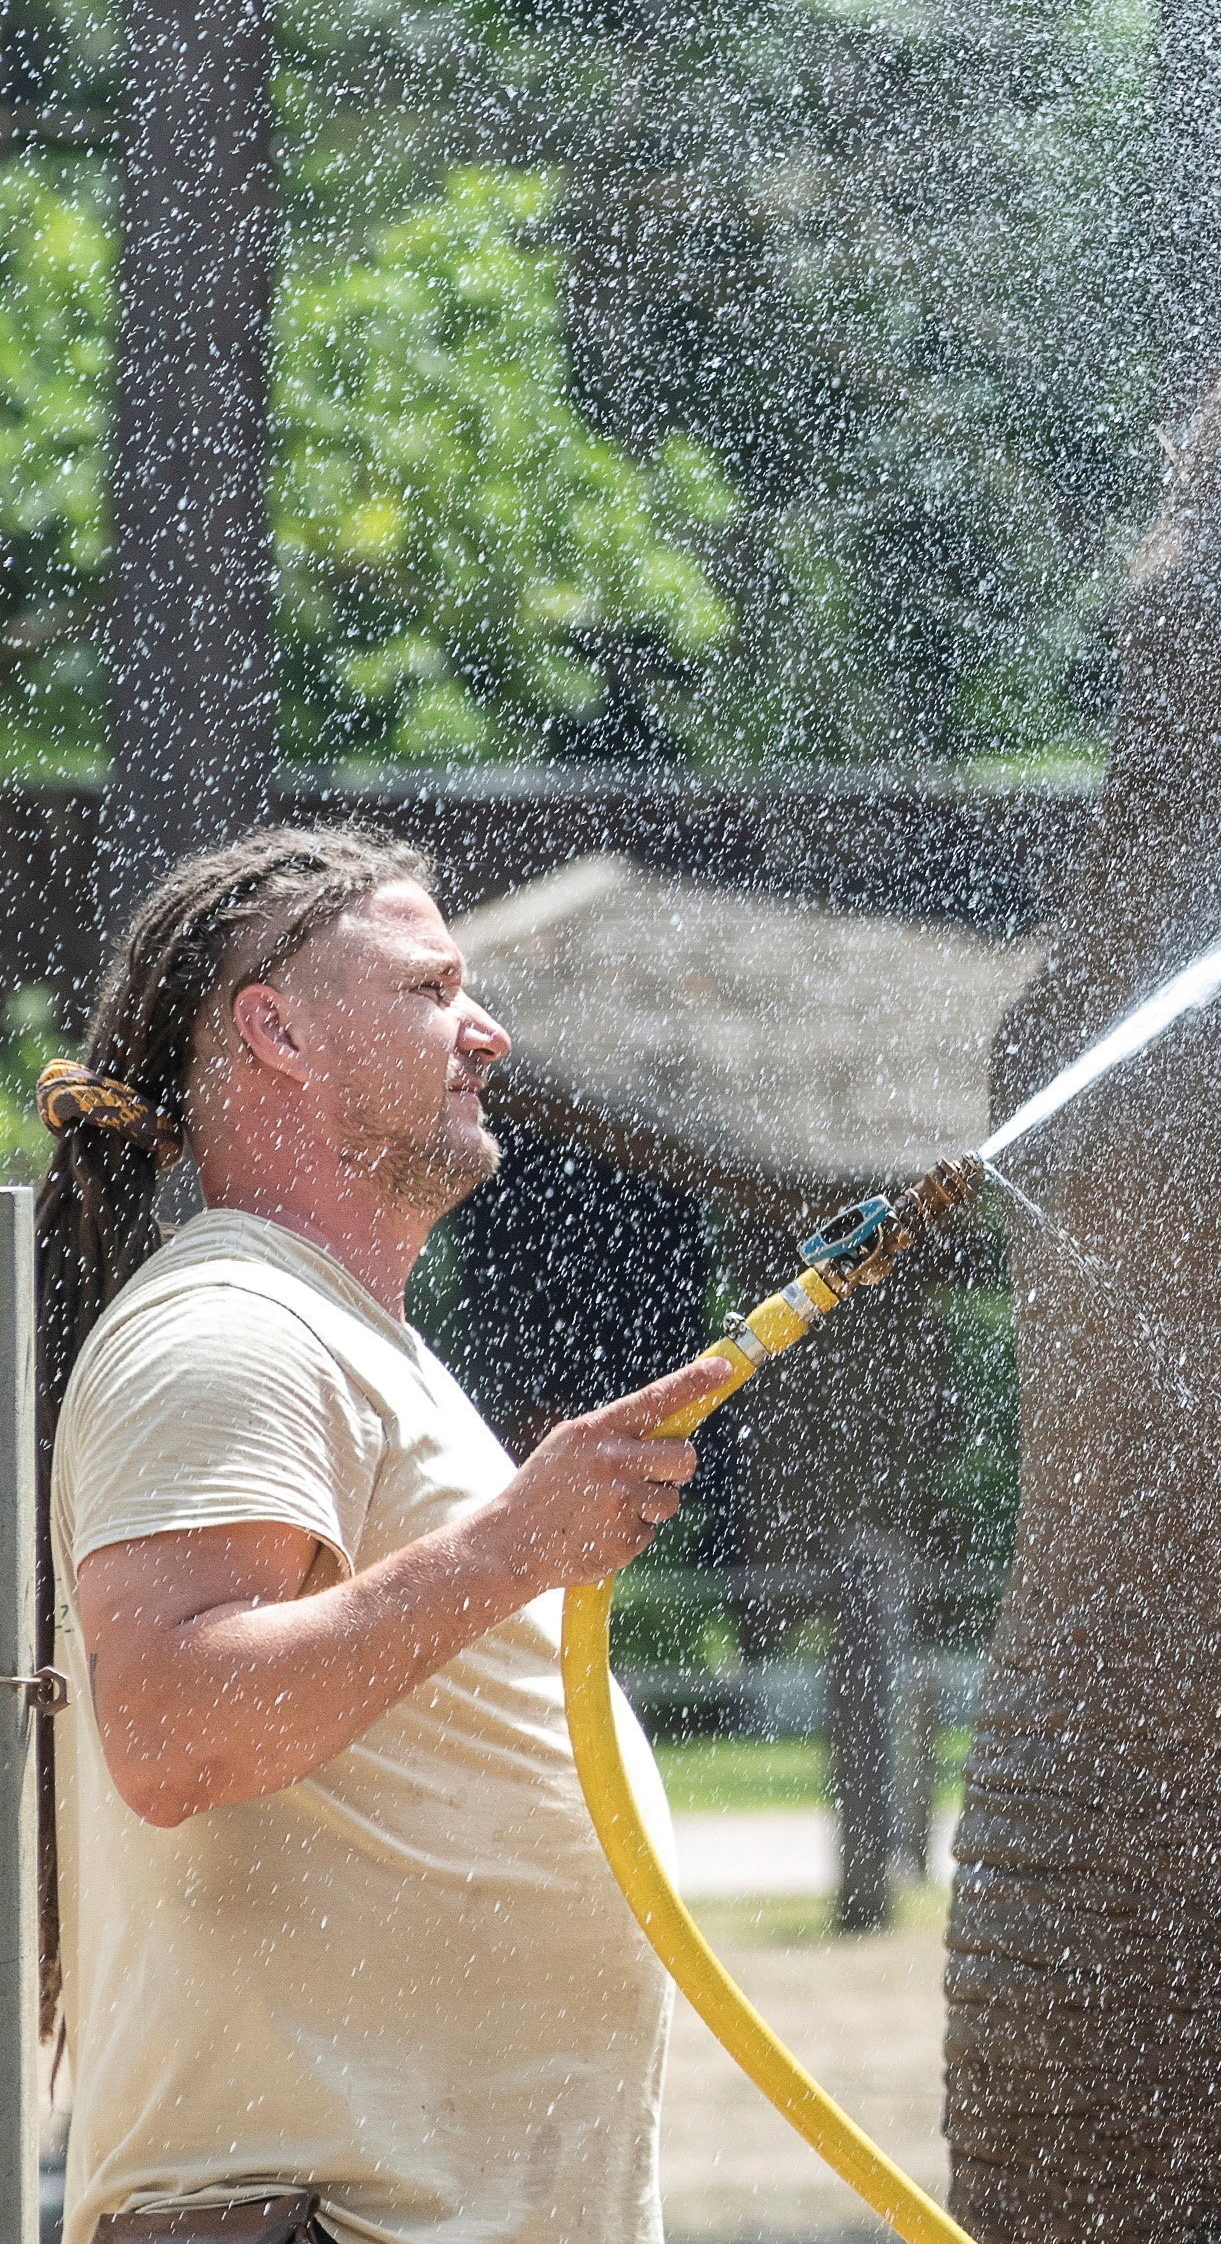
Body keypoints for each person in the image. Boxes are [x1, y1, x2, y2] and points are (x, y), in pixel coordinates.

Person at [25, 827, 729, 2244]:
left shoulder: (345, 1339)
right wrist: (512, 1548)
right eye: (428, 987)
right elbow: (172, 1727)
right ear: (274, 1031)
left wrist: (522, 1544)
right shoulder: (226, 1329)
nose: (487, 1029)